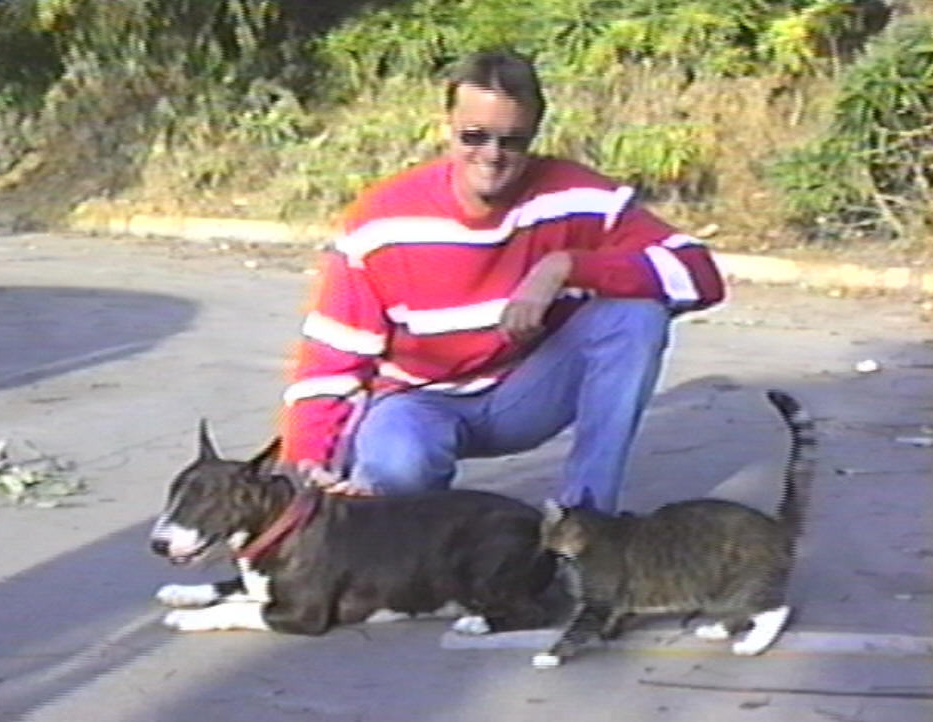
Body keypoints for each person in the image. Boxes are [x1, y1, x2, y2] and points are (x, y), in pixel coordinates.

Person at [276, 49, 724, 511]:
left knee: (636, 318)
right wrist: (306, 465)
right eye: (474, 136)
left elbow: (700, 274)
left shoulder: (578, 196)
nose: (491, 156)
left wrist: (565, 267)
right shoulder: (382, 221)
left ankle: (587, 520)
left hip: (526, 392)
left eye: (512, 141)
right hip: (416, 403)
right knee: (390, 485)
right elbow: (330, 363)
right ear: (446, 127)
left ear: (534, 135)